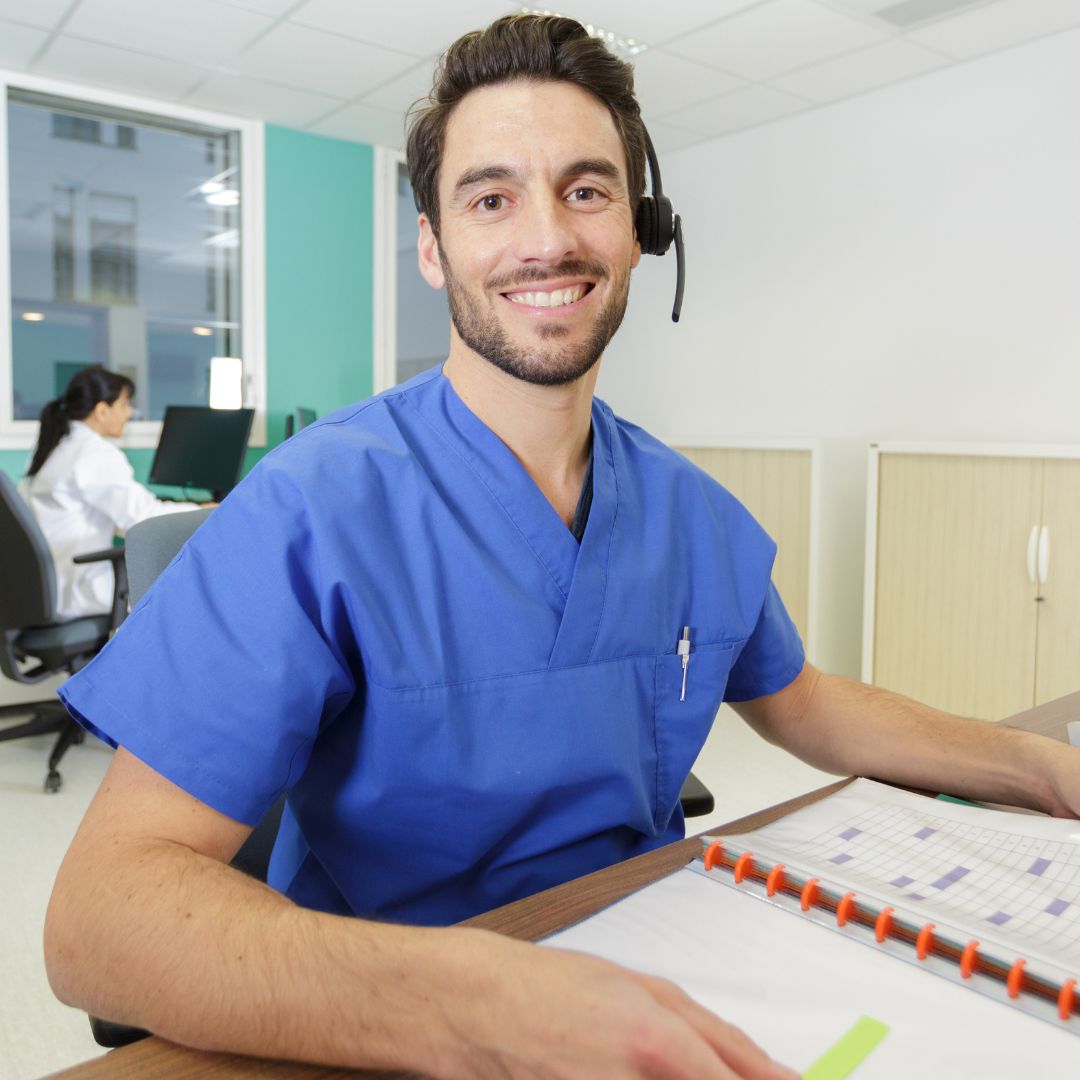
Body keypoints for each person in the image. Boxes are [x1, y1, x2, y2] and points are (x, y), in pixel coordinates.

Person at [43, 15, 1079, 1080]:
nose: (547, 238)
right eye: (492, 198)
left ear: (639, 231)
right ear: (434, 248)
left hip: (654, 967)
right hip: (387, 1013)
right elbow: (99, 922)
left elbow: (804, 703)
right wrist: (471, 1002)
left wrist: (1037, 763)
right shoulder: (313, 510)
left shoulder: (689, 511)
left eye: (587, 190)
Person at [21, 365, 208, 619]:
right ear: (101, 410)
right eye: (123, 405)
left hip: (40, 590)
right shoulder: (95, 453)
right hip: (81, 588)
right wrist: (202, 512)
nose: (129, 414)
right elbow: (145, 520)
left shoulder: (52, 448)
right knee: (187, 589)